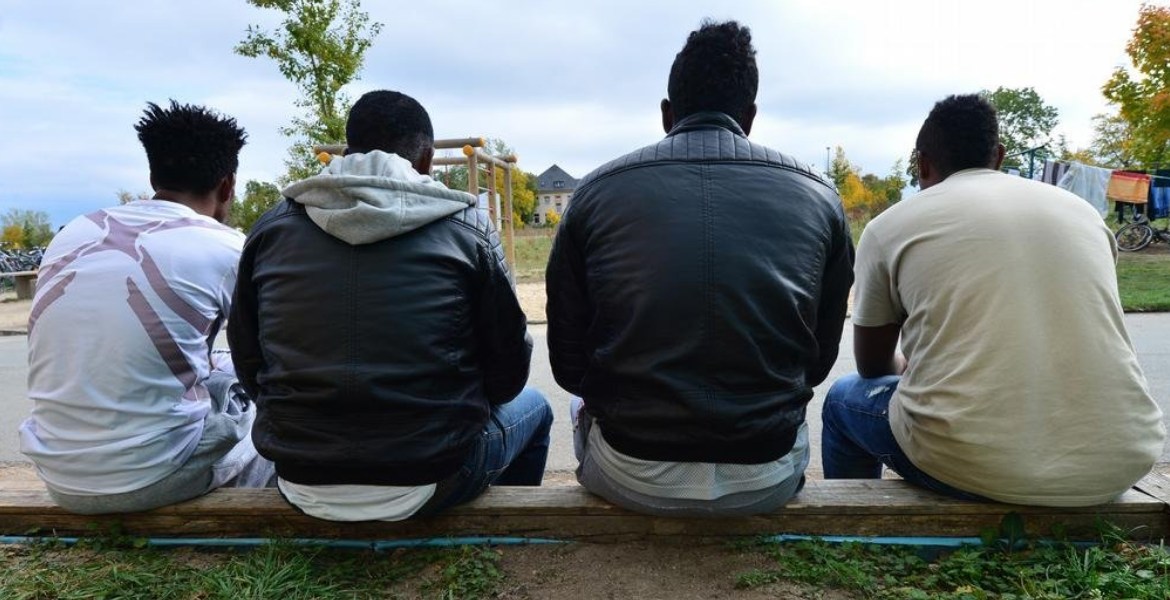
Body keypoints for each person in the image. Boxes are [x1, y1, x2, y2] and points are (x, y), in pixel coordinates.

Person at [546, 20, 854, 517]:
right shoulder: (820, 196)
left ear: (667, 113)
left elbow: (567, 367)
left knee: (574, 406)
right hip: (767, 473)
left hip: (630, 471)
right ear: (750, 116)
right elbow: (816, 361)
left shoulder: (595, 193)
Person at [824, 94, 1166, 506]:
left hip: (971, 463)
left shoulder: (889, 227)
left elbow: (873, 366)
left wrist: (911, 365)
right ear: (999, 155)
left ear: (923, 164)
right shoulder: (1084, 215)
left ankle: (853, 521)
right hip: (1121, 459)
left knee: (844, 397)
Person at [229, 90, 551, 522]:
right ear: (426, 159)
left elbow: (249, 360)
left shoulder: (271, 230)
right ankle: (498, 530)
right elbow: (509, 371)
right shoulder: (466, 227)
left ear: (345, 152)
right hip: (432, 475)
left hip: (299, 475)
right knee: (537, 408)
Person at [20, 100, 273, 514]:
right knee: (252, 393)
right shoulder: (224, 247)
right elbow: (271, 354)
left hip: (60, 479)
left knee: (220, 366)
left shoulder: (74, 233)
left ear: (153, 175)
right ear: (228, 186)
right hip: (149, 478)